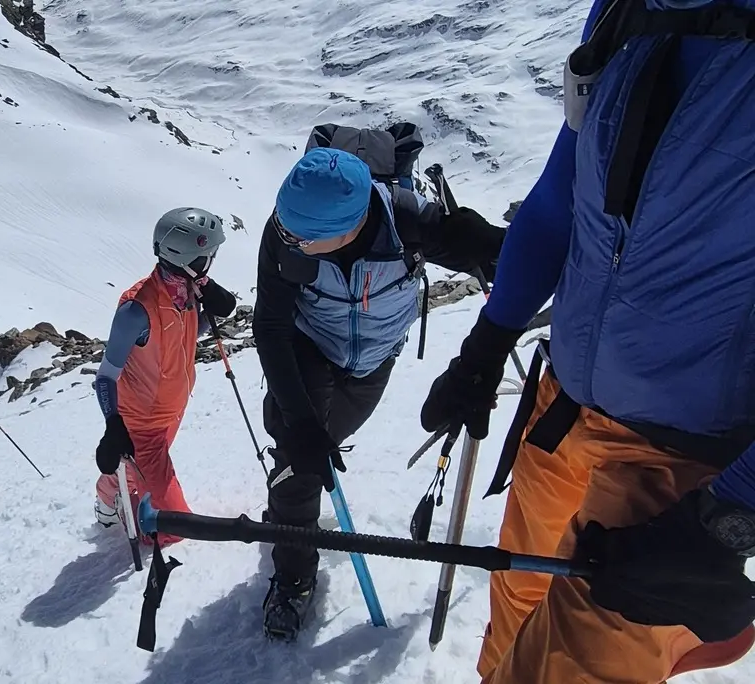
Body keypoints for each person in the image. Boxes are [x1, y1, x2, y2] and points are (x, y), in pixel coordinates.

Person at [418, 0, 755, 681]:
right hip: (563, 407)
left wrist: (732, 510)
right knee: (516, 607)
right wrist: (487, 343)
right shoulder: (622, 14)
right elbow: (557, 202)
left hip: (674, 471)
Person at [254, 145, 504, 640]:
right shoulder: (285, 233)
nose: (290, 243)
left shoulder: (410, 225)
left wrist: (498, 258)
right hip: (310, 347)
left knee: (321, 444)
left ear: (349, 226)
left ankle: (291, 504)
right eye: (286, 230)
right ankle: (294, 572)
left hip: (372, 363)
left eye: (304, 238)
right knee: (298, 459)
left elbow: (500, 250)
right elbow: (271, 326)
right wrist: (301, 424)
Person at [92, 207, 236, 545]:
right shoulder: (136, 309)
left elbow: (177, 337)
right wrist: (114, 427)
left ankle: (113, 490)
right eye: (206, 256)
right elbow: (105, 375)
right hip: (141, 423)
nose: (211, 261)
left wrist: (207, 311)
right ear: (186, 258)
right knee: (172, 529)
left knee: (138, 472)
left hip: (171, 409)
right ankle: (110, 498)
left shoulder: (187, 291)